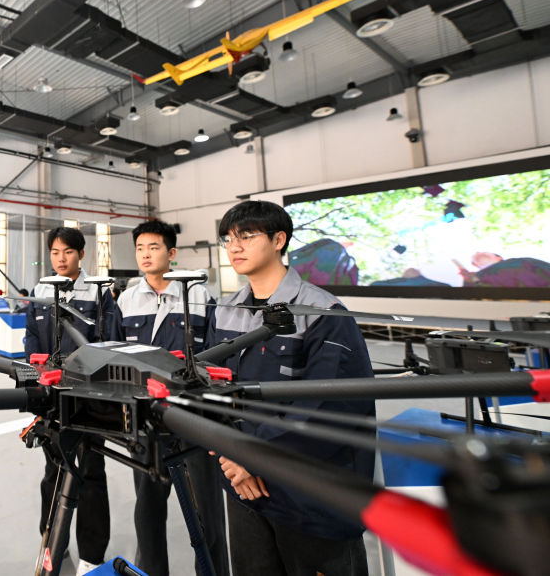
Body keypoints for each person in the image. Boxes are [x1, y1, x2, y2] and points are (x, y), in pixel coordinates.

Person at [206, 200, 374, 576]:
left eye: (246, 236)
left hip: (309, 496)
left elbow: (327, 408)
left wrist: (250, 457)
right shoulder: (227, 310)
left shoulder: (323, 313)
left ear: (279, 240)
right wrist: (231, 455)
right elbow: (212, 391)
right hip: (244, 488)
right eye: (228, 239)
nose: (234, 247)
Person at [116, 220, 229, 576]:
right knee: (148, 509)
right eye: (140, 248)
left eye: (154, 247)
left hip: (194, 417)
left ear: (172, 253)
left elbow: (215, 356)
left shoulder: (198, 296)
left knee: (207, 512)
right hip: (145, 419)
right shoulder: (126, 299)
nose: (145, 255)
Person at [24, 226, 117, 575]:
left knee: (91, 472)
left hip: (90, 400)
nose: (61, 259)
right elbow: (32, 339)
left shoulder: (98, 292)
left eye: (68, 252)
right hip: (53, 399)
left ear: (81, 255)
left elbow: (110, 342)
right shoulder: (41, 290)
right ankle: (51, 544)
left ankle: (91, 555)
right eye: (55, 252)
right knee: (54, 471)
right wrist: (39, 379)